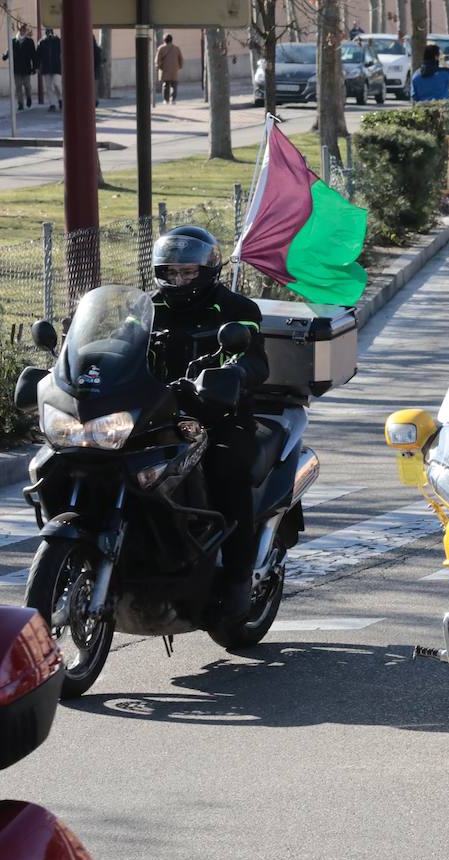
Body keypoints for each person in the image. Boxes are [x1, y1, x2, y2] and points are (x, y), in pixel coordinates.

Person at [149, 226, 270, 627]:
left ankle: (237, 578)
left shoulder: (236, 309)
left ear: (208, 270)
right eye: (171, 272)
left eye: (188, 272)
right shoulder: (146, 309)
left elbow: (255, 361)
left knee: (226, 471)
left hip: (219, 419)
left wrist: (234, 376)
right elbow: (109, 347)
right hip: (156, 418)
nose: (179, 280)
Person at [4, 24, 38, 111]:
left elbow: (33, 55)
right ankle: (20, 103)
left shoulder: (29, 41)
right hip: (16, 68)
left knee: (27, 86)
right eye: (21, 30)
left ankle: (29, 97)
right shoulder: (13, 41)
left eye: (23, 30)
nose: (22, 31)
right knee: (18, 86)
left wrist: (34, 67)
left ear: (25, 31)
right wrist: (5, 56)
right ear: (19, 31)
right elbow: (9, 51)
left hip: (26, 68)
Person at [37, 28, 62, 112]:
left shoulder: (58, 41)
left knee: (57, 84)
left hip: (57, 67)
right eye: (48, 32)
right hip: (46, 67)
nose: (49, 34)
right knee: (48, 87)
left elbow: (63, 52)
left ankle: (61, 99)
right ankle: (52, 104)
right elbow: (38, 56)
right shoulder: (42, 42)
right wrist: (37, 67)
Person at [155, 34, 183, 104]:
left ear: (164, 40)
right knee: (174, 85)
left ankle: (166, 100)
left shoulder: (161, 48)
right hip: (174, 69)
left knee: (165, 85)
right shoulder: (176, 48)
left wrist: (158, 66)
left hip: (164, 69)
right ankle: (173, 99)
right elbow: (181, 59)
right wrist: (179, 66)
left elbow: (157, 60)